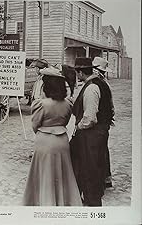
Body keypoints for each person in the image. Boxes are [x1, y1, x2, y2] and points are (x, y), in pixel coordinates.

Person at [23, 67, 82, 206]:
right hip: (62, 140)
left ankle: (45, 201)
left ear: (47, 87)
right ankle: (63, 200)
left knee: (44, 174)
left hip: (44, 141)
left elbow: (35, 125)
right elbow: (67, 121)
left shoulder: (41, 104)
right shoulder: (67, 104)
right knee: (62, 173)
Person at [70, 57, 115, 206]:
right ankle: (90, 198)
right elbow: (110, 109)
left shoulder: (91, 88)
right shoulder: (102, 84)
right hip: (99, 134)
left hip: (91, 136)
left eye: (77, 72)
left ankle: (91, 202)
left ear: (81, 72)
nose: (77, 76)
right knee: (94, 167)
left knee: (89, 170)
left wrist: (79, 127)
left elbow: (90, 118)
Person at [92, 56, 115, 189]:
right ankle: (106, 178)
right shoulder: (105, 83)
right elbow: (111, 106)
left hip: (99, 122)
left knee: (98, 151)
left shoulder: (98, 84)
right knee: (103, 150)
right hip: (105, 122)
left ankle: (100, 179)